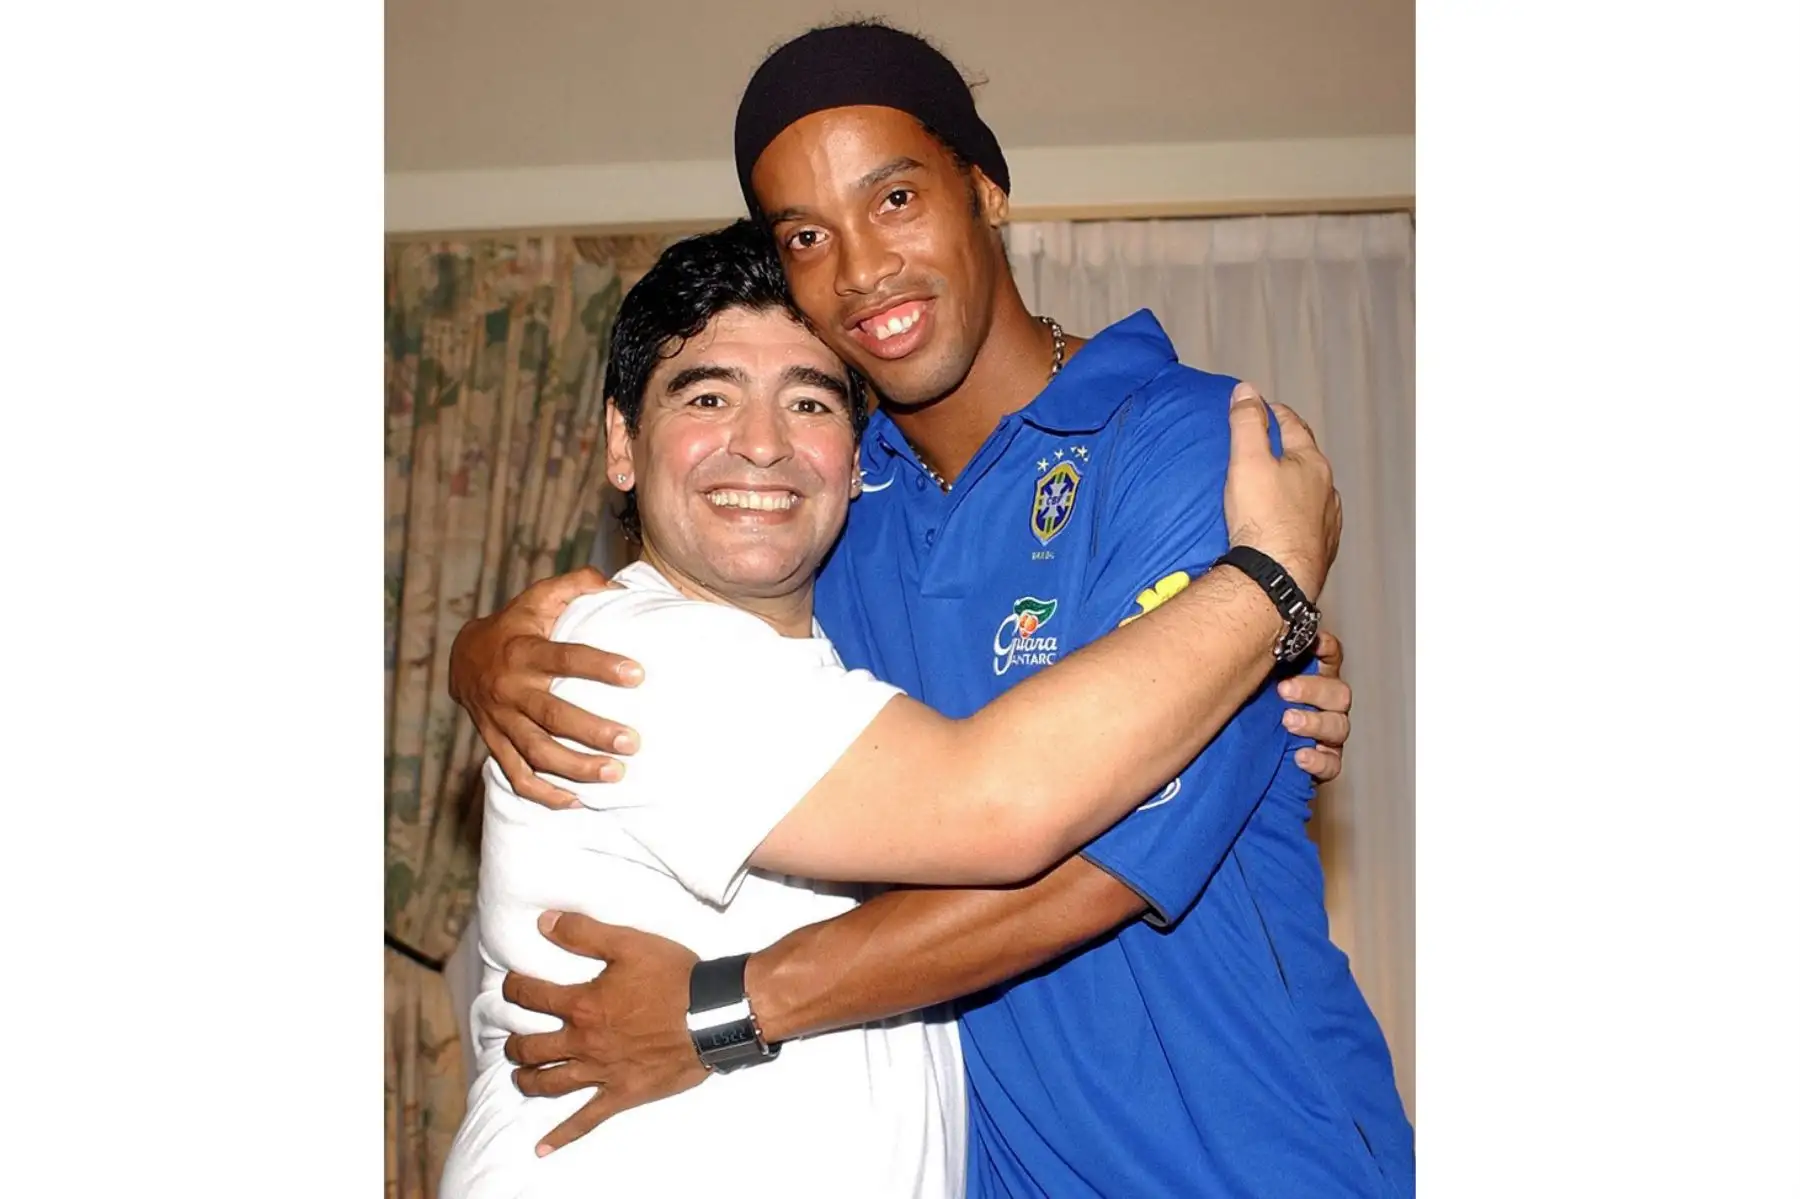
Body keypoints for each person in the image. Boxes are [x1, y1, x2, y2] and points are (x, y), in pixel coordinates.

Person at [451, 19, 1412, 1198]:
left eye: (895, 196)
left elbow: (1090, 863)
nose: (859, 268)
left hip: (1246, 1156)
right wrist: (486, 646)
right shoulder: (840, 512)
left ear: (986, 189)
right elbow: (693, 626)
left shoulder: (1196, 453)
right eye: (808, 234)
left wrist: (722, 1009)